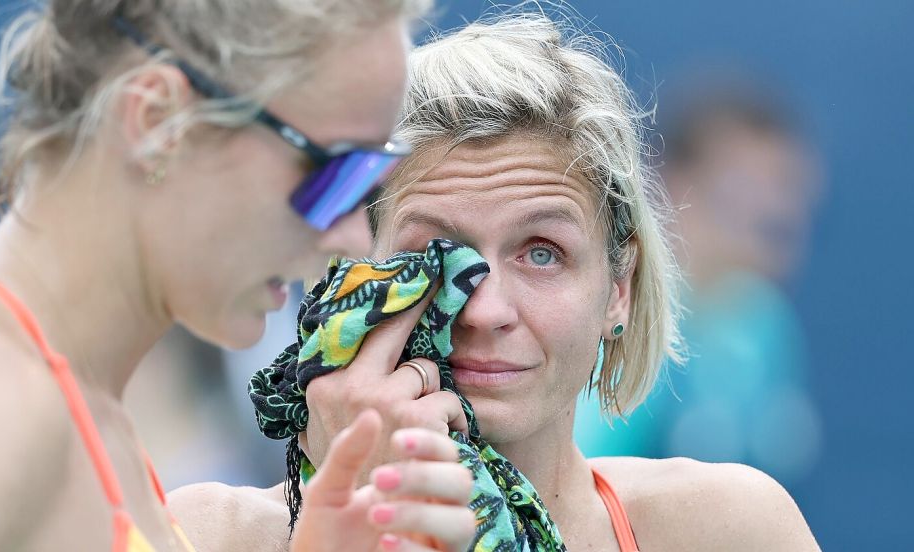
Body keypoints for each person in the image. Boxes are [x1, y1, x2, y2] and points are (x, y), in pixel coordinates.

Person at [0, 1, 477, 550]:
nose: (354, 238)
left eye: (372, 179)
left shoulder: (70, 402)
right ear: (157, 121)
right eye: (332, 170)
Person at [285, 14, 822, 551]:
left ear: (619, 287)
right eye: (435, 253)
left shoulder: (735, 530)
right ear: (351, 275)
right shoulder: (212, 531)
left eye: (542, 254)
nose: (483, 308)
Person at [573, 77, 824, 483]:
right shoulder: (621, 319)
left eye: (789, 187)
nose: (777, 210)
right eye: (748, 186)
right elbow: (573, 492)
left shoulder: (766, 322)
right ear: (672, 182)